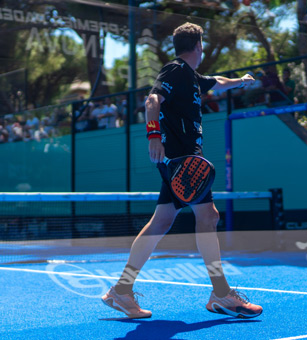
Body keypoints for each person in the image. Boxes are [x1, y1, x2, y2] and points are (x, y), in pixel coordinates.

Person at [101, 22, 262, 319]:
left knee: (161, 222)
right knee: (208, 216)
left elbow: (218, 81)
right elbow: (152, 100)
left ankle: (121, 291)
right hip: (183, 160)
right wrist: (153, 135)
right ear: (199, 47)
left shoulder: (193, 78)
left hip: (179, 162)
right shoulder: (176, 70)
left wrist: (240, 80)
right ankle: (221, 293)